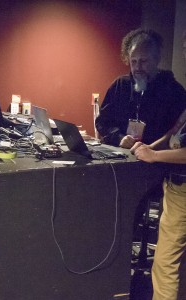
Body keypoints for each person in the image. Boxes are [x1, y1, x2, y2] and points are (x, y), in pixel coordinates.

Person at [130, 30, 186, 300]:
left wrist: (154, 157)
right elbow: (176, 131)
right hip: (175, 187)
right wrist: (154, 146)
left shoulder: (173, 90)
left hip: (182, 188)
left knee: (164, 265)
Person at [95, 28, 186, 149]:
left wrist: (150, 150)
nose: (137, 67)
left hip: (157, 161)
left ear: (157, 59)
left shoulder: (174, 91)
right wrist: (119, 138)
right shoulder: (120, 85)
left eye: (143, 61)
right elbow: (102, 122)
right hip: (121, 155)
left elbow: (177, 133)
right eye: (133, 61)